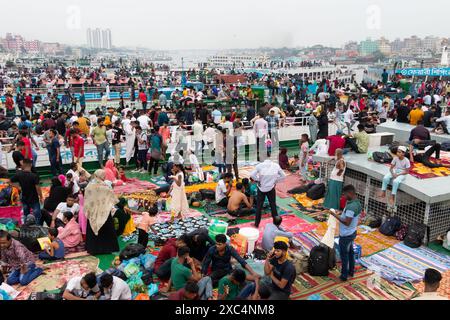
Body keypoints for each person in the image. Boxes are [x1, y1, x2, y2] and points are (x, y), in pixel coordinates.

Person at [327, 185, 361, 282]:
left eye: (345, 195)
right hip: (352, 232)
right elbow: (349, 217)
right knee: (350, 253)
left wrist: (334, 215)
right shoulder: (356, 202)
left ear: (350, 193)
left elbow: (347, 222)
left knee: (344, 255)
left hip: (346, 235)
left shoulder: (351, 207)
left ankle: (344, 276)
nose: (344, 197)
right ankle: (351, 271)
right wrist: (341, 214)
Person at [84, 170, 119, 255]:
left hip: (93, 212)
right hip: (104, 212)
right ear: (102, 176)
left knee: (93, 231)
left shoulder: (89, 186)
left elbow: (87, 199)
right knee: (106, 230)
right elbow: (112, 199)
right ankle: (107, 248)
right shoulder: (105, 187)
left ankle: (93, 249)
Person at [250, 159, 286, 228]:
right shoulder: (276, 165)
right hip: (271, 188)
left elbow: (252, 175)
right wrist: (275, 180)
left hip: (261, 188)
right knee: (273, 206)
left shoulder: (259, 165)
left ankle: (256, 224)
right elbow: (283, 176)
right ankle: (276, 224)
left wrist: (258, 180)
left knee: (259, 207)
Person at [10, 159, 43, 224]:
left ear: (23, 164)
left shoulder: (19, 174)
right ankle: (38, 227)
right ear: (31, 165)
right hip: (34, 198)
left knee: (26, 214)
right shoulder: (34, 176)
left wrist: (18, 187)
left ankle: (26, 227)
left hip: (24, 198)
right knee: (37, 215)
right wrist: (41, 197)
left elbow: (10, 181)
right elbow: (38, 188)